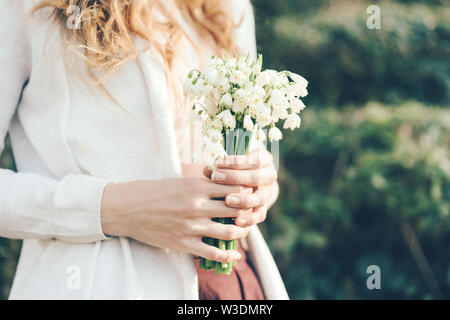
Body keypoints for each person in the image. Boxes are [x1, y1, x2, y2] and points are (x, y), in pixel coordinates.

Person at [0, 0, 288, 299]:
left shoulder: (230, 7)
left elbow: (250, 145)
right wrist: (113, 209)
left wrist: (259, 185)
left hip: (233, 279)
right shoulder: (25, 7)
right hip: (100, 283)